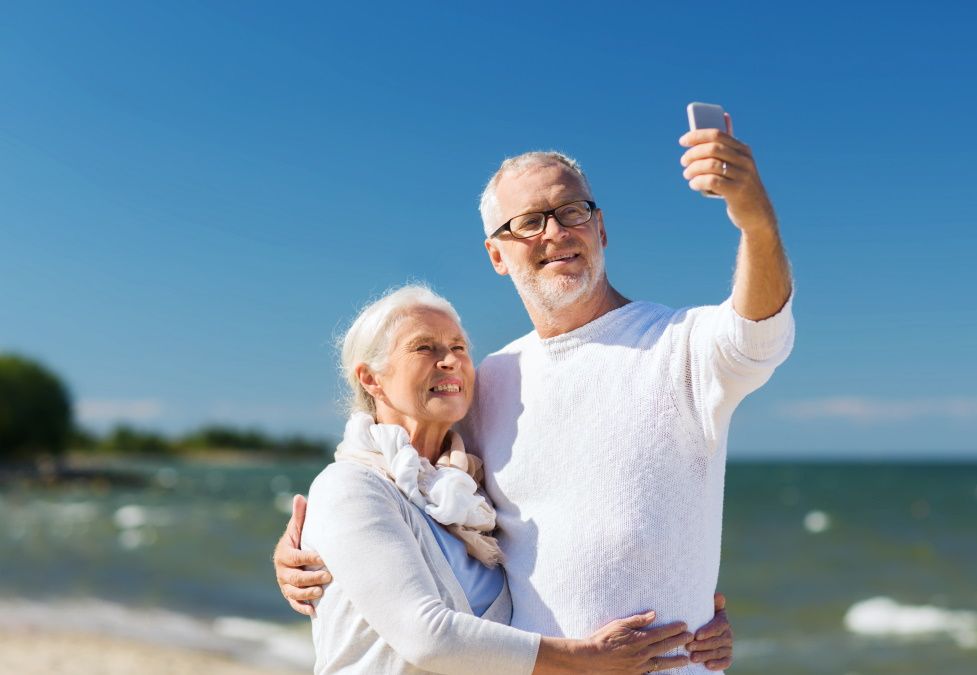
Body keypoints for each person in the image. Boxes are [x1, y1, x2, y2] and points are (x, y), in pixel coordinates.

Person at [277, 117, 792, 673]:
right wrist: (308, 552)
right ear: (497, 255)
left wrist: (755, 222)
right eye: (527, 223)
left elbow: (757, 330)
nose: (555, 232)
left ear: (601, 228)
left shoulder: (681, 345)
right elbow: (403, 479)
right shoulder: (490, 380)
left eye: (572, 211)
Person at [303, 284, 708, 674]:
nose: (450, 360)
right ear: (371, 378)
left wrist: (695, 615)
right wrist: (590, 660)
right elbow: (427, 637)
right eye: (425, 347)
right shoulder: (350, 487)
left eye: (459, 347)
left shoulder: (469, 493)